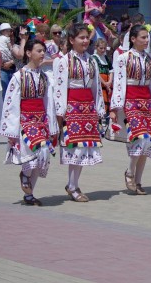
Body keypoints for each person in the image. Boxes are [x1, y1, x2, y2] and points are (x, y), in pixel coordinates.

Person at [2, 39, 58, 206]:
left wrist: (52, 125)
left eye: (43, 51)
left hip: (41, 120)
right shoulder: (19, 76)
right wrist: (12, 130)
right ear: (28, 53)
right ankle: (25, 175)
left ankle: (29, 195)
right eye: (39, 51)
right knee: (32, 154)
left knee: (42, 155)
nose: (42, 54)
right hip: (25, 121)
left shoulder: (45, 77)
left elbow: (49, 101)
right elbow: (11, 103)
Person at [53, 24, 105, 202]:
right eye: (81, 37)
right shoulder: (63, 61)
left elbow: (96, 86)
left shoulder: (91, 60)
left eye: (86, 37)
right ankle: (72, 186)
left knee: (83, 148)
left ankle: (73, 184)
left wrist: (98, 108)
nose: (85, 41)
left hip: (87, 108)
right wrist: (60, 113)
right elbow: (59, 88)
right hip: (72, 107)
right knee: (74, 148)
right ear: (71, 40)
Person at [110, 25, 151, 195]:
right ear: (133, 39)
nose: (146, 40)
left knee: (147, 142)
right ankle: (130, 172)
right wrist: (116, 107)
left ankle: (138, 181)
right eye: (143, 37)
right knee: (139, 137)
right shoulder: (123, 58)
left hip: (146, 101)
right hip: (130, 101)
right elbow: (118, 83)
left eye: (147, 37)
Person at [92, 38, 113, 118]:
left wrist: (109, 82)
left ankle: (107, 120)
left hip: (107, 83)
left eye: (104, 48)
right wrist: (104, 83)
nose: (103, 50)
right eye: (101, 48)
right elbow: (96, 73)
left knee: (108, 102)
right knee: (101, 102)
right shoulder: (93, 58)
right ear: (96, 47)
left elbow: (111, 70)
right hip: (100, 84)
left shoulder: (106, 58)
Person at [0, 22, 15, 98]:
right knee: (7, 89)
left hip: (9, 64)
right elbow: (10, 47)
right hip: (3, 64)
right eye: (7, 31)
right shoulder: (6, 38)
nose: (9, 33)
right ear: (2, 31)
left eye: (9, 31)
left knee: (7, 89)